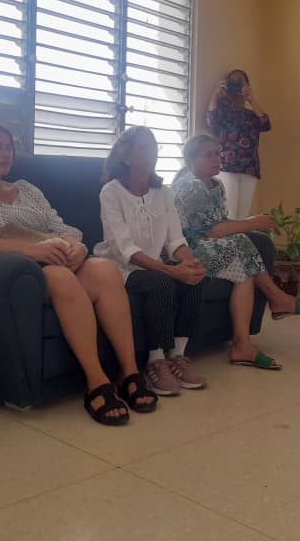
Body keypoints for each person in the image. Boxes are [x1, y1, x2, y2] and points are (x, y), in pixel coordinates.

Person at [0, 122, 157, 426]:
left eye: (9, 147)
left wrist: (77, 246)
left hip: (61, 257)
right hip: (26, 271)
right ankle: (96, 382)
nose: (6, 153)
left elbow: (61, 227)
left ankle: (129, 372)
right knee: (61, 278)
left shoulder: (27, 189)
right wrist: (30, 251)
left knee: (104, 269)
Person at [172, 134, 300, 370]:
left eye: (218, 153)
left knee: (244, 271)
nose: (216, 159)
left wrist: (250, 222)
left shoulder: (216, 185)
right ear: (191, 161)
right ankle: (277, 299)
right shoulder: (190, 187)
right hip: (187, 250)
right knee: (241, 243)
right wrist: (252, 223)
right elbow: (212, 231)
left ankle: (242, 345)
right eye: (208, 155)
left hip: (209, 244)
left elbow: (221, 222)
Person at [95, 127, 210, 396]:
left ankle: (177, 356)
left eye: (154, 147)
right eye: (144, 148)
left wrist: (189, 263)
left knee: (195, 278)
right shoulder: (110, 192)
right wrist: (170, 270)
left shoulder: (163, 193)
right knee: (161, 282)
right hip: (120, 269)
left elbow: (175, 240)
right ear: (126, 157)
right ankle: (155, 361)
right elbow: (125, 249)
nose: (152, 153)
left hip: (155, 264)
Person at [205, 69, 271, 219]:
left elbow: (266, 124)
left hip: (249, 168)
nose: (236, 84)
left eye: (240, 81)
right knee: (230, 213)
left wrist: (251, 98)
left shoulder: (251, 115)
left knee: (244, 215)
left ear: (247, 85)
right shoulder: (223, 111)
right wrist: (215, 93)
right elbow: (211, 121)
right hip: (227, 166)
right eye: (232, 82)